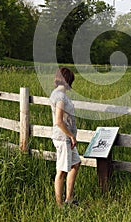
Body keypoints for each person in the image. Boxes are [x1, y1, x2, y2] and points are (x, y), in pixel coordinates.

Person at [50, 67, 81, 207]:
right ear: (67, 80)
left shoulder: (58, 94)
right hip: (63, 138)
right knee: (61, 171)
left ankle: (69, 198)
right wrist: (71, 136)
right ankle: (59, 205)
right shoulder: (60, 97)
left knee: (75, 163)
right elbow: (59, 121)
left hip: (67, 138)